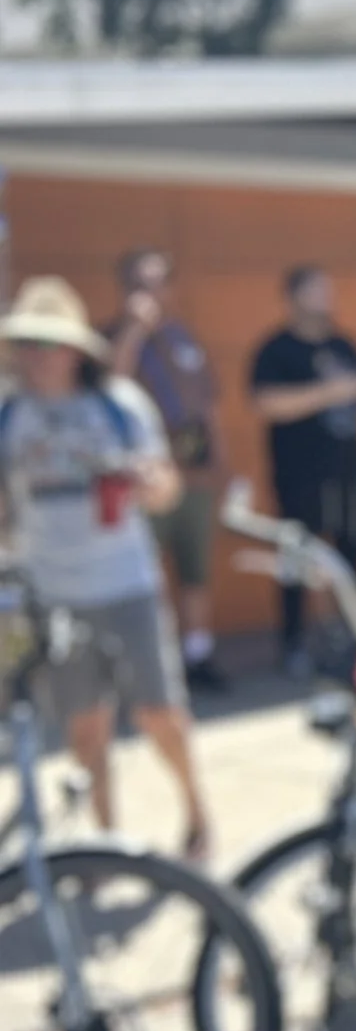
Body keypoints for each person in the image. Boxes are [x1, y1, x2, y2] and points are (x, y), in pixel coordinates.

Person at [0, 277, 213, 859]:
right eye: (24, 343)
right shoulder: (10, 414)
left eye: (45, 344)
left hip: (126, 584)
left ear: (74, 351)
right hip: (52, 593)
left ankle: (196, 813)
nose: (33, 357)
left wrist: (149, 483)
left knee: (159, 714)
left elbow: (167, 488)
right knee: (84, 726)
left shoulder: (118, 406)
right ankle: (105, 842)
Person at [109, 247, 230, 692]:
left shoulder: (185, 338)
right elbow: (111, 386)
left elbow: (209, 406)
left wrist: (221, 465)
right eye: (143, 284)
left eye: (159, 282)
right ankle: (150, 664)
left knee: (195, 570)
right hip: (149, 478)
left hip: (194, 475)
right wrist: (133, 331)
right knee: (145, 575)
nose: (153, 293)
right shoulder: (116, 337)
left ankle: (198, 656)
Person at [250, 264, 356, 676]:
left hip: (348, 470)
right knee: (297, 561)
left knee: (351, 558)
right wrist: (329, 392)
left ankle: (355, 643)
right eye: (315, 291)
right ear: (293, 297)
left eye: (328, 290)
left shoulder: (344, 345)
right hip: (299, 474)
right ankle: (294, 646)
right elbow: (266, 403)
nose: (326, 298)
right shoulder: (276, 349)